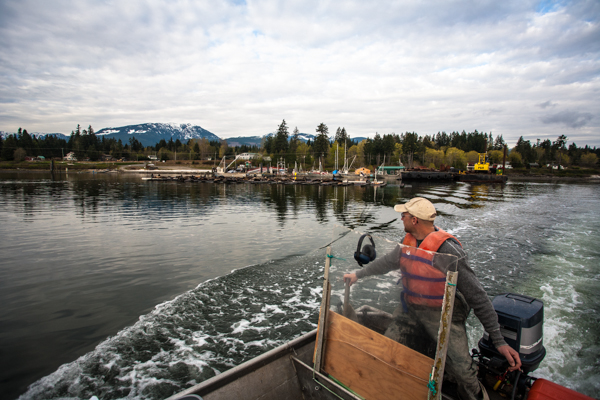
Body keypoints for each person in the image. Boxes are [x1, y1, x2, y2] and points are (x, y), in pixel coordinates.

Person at [343, 197, 521, 400]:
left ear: (415, 220)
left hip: (442, 314)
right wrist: (358, 275)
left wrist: (498, 341)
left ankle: (476, 396)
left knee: (463, 372)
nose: (401, 218)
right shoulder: (407, 242)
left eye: (404, 215)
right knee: (389, 349)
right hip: (410, 308)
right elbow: (387, 262)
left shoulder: (449, 252)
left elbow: (477, 297)